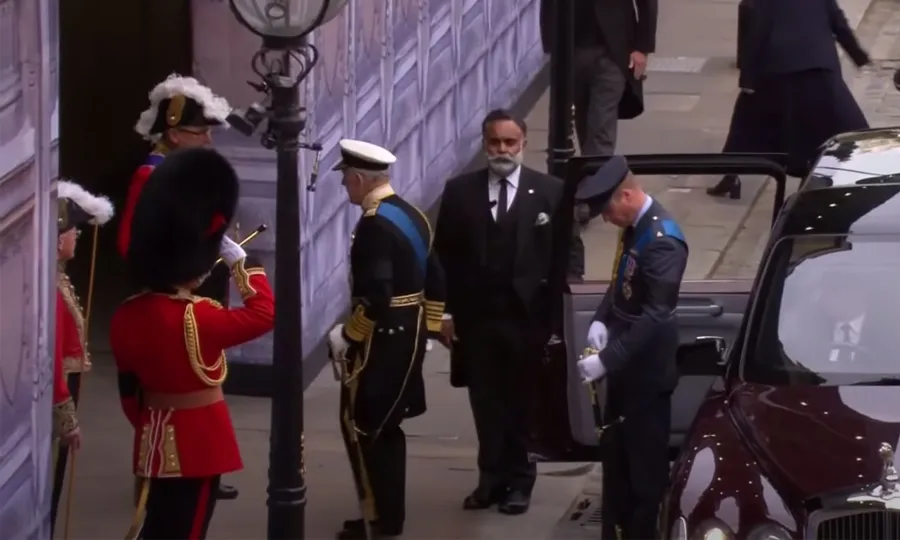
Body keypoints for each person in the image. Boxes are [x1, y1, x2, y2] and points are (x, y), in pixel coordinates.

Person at [109, 147, 275, 539]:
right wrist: (242, 264)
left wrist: (152, 421)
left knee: (158, 526)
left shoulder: (125, 315)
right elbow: (265, 313)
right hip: (200, 445)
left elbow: (130, 394)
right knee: (188, 530)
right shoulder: (197, 317)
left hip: (153, 438)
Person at [433, 109, 562, 515]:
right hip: (477, 321)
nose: (502, 150)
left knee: (524, 405)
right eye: (495, 142)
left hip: (527, 320)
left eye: (510, 142)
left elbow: (563, 258)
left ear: (523, 143)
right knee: (485, 404)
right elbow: (444, 257)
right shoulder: (459, 192)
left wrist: (561, 317)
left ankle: (521, 482)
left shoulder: (549, 192)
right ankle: (490, 479)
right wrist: (446, 314)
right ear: (484, 143)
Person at [120, 73, 240, 501]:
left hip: (195, 282)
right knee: (165, 389)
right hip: (167, 290)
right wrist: (173, 274)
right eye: (198, 132)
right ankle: (154, 475)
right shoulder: (150, 175)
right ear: (173, 133)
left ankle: (200, 465)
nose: (207, 141)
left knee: (201, 377)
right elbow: (132, 241)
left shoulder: (186, 171)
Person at [326, 139, 446, 539]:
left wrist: (349, 333)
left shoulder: (374, 224)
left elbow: (377, 294)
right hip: (408, 333)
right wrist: (426, 330)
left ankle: (377, 518)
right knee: (388, 428)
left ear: (359, 179)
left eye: (346, 180)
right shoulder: (411, 213)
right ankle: (387, 515)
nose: (345, 187)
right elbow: (437, 277)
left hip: (382, 338)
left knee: (364, 426)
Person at [574, 156, 688, 540]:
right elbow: (621, 279)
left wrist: (607, 360)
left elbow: (656, 315)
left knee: (644, 477)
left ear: (626, 195)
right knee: (617, 469)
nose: (606, 219)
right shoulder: (636, 229)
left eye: (608, 210)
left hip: (646, 380)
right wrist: (601, 320)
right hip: (626, 372)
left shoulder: (663, 242)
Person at [540, 0, 657, 280]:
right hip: (571, 49)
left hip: (612, 51)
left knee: (600, 129)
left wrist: (642, 47)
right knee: (577, 124)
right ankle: (581, 187)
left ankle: (587, 202)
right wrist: (551, 44)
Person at [707, 0, 870, 199]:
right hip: (819, 69)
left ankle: (731, 175)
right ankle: (816, 174)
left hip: (779, 69)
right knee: (836, 126)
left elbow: (756, 34)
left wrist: (748, 78)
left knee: (747, 121)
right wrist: (859, 56)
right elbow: (838, 23)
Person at [51, 181, 115, 533]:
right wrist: (67, 420)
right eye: (74, 231)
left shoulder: (58, 278)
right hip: (58, 391)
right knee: (52, 476)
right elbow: (54, 357)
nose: (77, 236)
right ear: (60, 239)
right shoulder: (51, 287)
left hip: (66, 385)